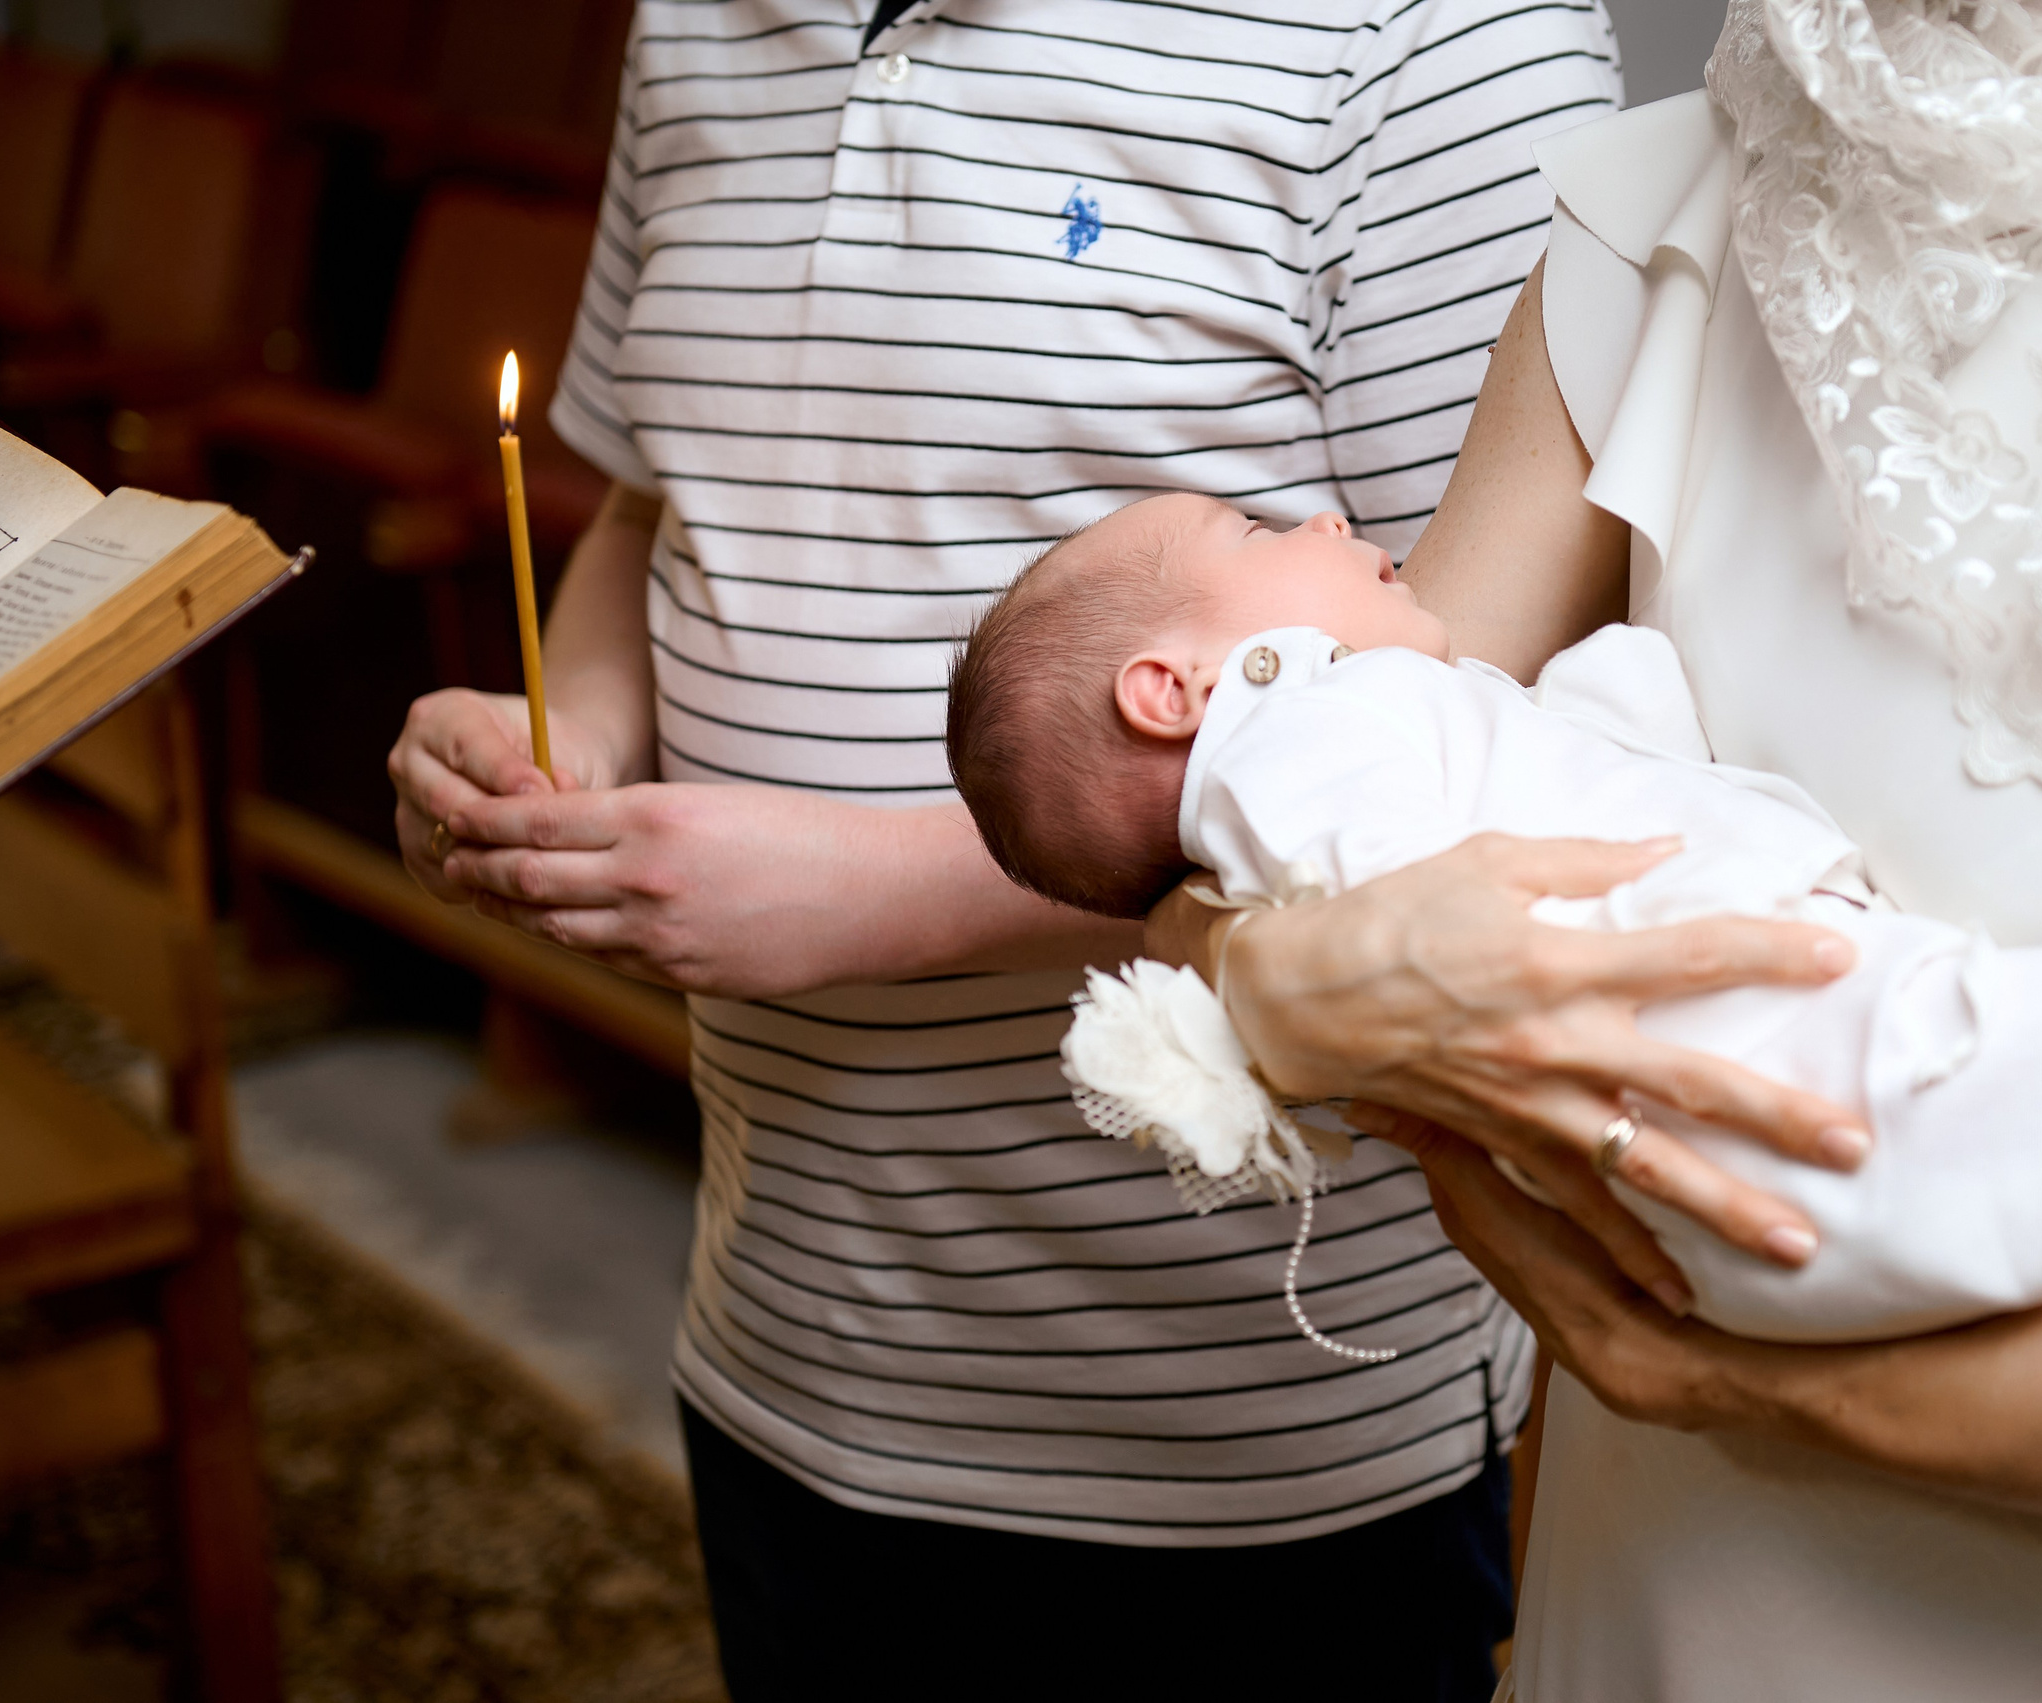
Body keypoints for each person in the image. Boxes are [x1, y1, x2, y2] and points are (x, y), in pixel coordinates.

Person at [1141, 2, 2042, 1699]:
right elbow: (1269, 782)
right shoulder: (1699, 188)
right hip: (1634, 1593)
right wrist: (1281, 984)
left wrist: (1718, 1386)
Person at [383, 3, 1630, 1698]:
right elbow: (657, 496)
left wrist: (874, 900)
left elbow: (1486, 723)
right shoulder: (693, 23)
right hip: (783, 1332)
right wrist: (575, 740)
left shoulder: (1438, 40)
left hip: (1241, 1428)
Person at [946, 489, 2042, 1699]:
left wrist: (1613, 703)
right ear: (1178, 688)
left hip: (1727, 1143)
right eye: (1256, 534)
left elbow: (1521, 794)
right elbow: (1405, 916)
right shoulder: (1304, 740)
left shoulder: (1366, 737)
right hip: (1756, 1080)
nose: (1328, 519)